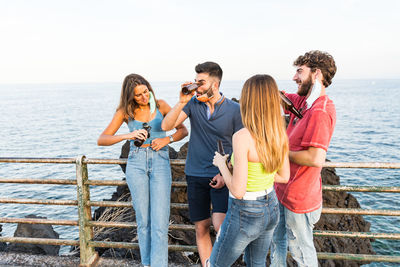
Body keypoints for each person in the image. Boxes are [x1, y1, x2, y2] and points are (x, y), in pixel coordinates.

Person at [97, 73, 188, 267]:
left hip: (160, 162)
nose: (144, 97)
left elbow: (183, 130)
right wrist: (128, 135)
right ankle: (147, 264)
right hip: (136, 163)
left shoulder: (161, 105)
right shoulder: (125, 111)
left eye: (146, 91)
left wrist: (167, 139)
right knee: (144, 222)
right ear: (130, 97)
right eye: (138, 95)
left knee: (160, 224)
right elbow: (102, 139)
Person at [161, 62, 243, 266]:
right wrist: (181, 101)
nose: (196, 86)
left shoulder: (235, 110)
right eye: (196, 81)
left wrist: (226, 173)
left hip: (222, 175)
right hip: (195, 173)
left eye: (201, 82)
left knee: (221, 226)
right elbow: (166, 125)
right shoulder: (192, 104)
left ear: (214, 85)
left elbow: (242, 145)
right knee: (201, 227)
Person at [209, 74, 290, 266]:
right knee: (257, 263)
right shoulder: (279, 133)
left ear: (249, 101)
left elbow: (238, 191)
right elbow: (284, 176)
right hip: (271, 206)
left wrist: (222, 164)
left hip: (246, 211)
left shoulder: (242, 136)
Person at [270, 50, 337, 267]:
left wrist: (280, 153)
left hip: (299, 199)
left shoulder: (320, 110)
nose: (294, 77)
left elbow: (316, 158)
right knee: (276, 242)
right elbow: (278, 95)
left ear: (316, 74)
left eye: (300, 71)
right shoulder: (303, 103)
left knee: (302, 253)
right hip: (282, 190)